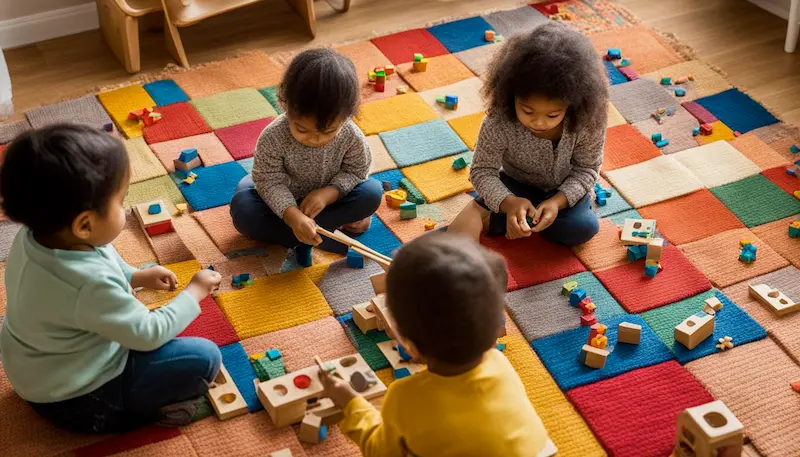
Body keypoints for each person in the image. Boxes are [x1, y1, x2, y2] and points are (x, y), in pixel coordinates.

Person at [0, 125, 223, 434]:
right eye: (121, 201)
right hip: (78, 398)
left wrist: (136, 275)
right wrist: (195, 291)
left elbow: (100, 255)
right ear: (84, 224)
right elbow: (149, 332)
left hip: (38, 368)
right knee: (205, 358)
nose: (126, 208)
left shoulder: (34, 235)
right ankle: (132, 416)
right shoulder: (88, 285)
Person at [319, 232, 549, 456]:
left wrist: (350, 404)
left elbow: (379, 450)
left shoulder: (404, 396)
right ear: (491, 337)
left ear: (409, 346)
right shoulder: (500, 363)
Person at [448, 22, 609, 246]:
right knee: (479, 214)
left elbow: (587, 169)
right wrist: (508, 202)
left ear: (572, 105)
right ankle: (495, 212)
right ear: (510, 95)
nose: (539, 122)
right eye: (527, 111)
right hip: (516, 183)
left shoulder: (585, 122)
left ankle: (504, 217)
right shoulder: (499, 121)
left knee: (582, 229)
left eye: (553, 115)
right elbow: (482, 171)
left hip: (564, 188)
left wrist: (557, 202)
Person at [230, 48, 382, 264]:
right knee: (243, 209)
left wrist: (328, 194)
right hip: (282, 201)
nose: (315, 139)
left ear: (347, 116)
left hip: (327, 202)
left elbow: (356, 171)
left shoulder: (351, 135)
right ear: (285, 104)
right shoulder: (273, 136)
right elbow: (268, 180)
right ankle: (315, 233)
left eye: (328, 131)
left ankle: (303, 235)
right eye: (302, 129)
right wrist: (292, 215)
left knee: (372, 192)